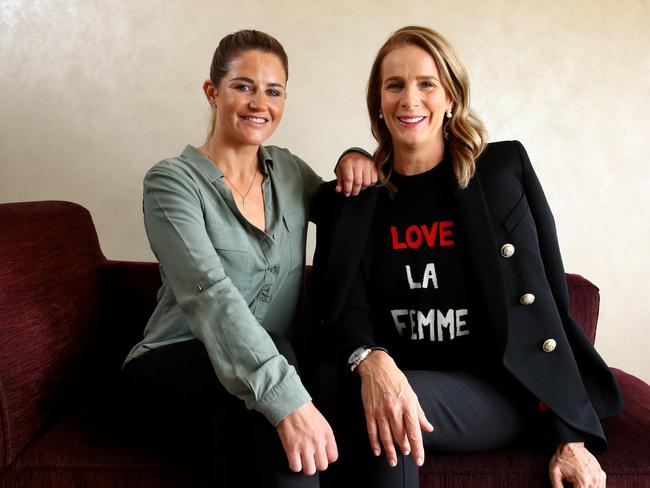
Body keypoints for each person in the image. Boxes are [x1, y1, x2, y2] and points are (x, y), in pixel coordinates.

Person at [311, 26, 623, 488]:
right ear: (378, 102)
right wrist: (374, 361)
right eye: (394, 85)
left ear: (451, 97)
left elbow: (545, 304)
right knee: (339, 400)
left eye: (426, 84)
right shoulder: (355, 199)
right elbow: (343, 308)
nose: (409, 99)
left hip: (490, 390)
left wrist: (569, 437)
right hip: (386, 378)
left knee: (392, 408)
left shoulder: (501, 176)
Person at [122, 29, 375, 487]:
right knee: (275, 382)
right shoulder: (171, 183)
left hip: (249, 382)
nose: (260, 102)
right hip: (170, 368)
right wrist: (289, 400)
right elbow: (209, 295)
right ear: (212, 92)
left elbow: (347, 211)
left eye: (273, 91)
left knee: (247, 417)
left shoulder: (289, 172)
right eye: (243, 86)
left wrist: (355, 157)